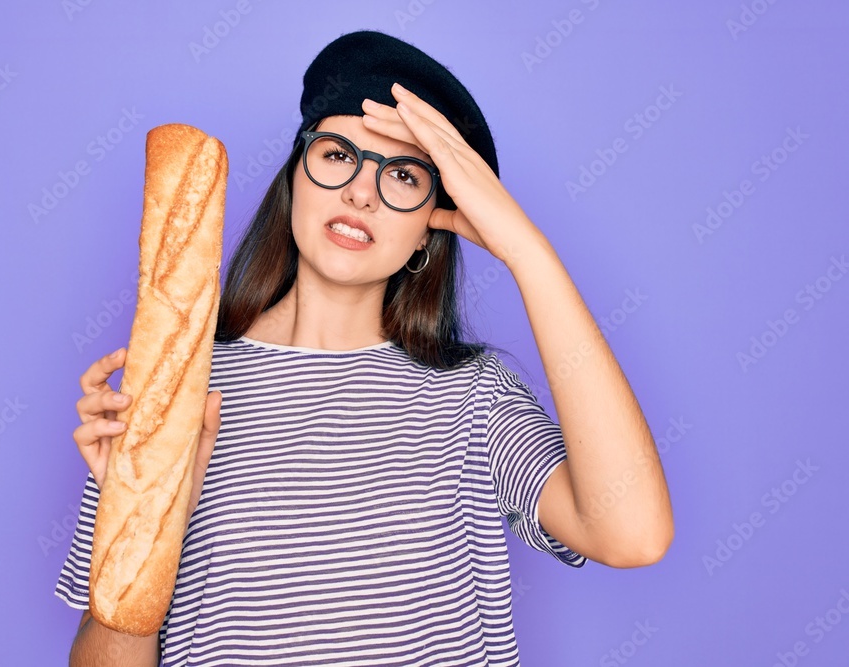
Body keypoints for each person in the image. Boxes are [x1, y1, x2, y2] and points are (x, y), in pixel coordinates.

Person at [55, 29, 674, 667]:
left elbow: (632, 533)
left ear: (430, 230)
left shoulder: (472, 396)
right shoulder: (174, 391)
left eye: (403, 176)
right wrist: (148, 518)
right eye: (336, 155)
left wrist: (526, 251)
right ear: (295, 175)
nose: (360, 192)